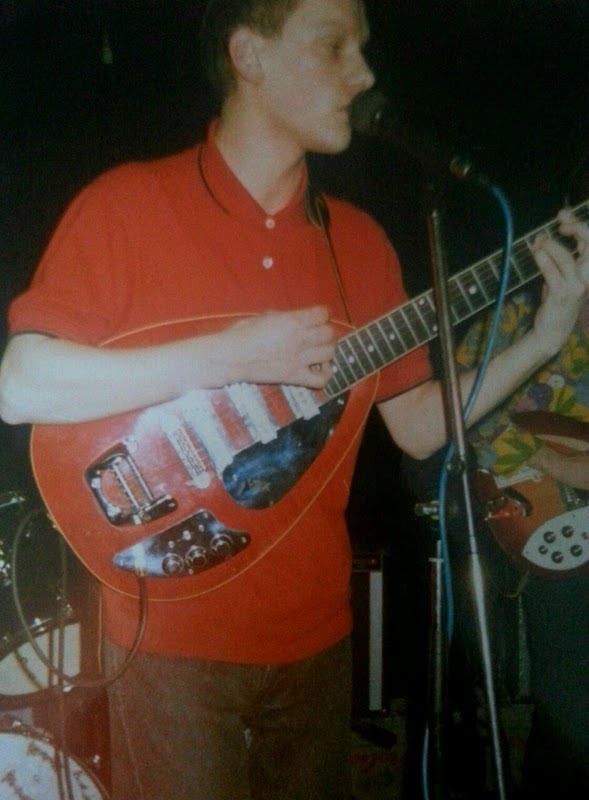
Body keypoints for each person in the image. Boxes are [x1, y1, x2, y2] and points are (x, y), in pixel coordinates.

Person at [0, 1, 587, 797]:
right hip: (169, 642)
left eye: (363, 49)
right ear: (250, 56)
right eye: (333, 45)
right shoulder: (126, 205)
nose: (364, 73)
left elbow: (418, 429)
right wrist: (229, 355)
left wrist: (543, 339)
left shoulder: (360, 242)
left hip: (318, 634)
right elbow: (21, 384)